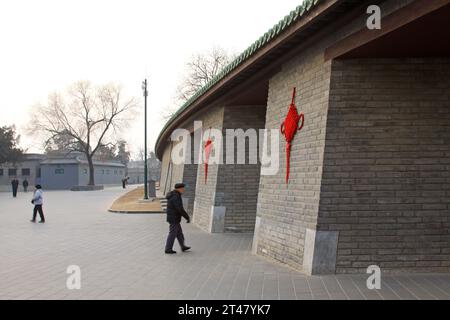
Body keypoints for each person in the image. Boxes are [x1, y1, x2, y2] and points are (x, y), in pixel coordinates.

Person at [164, 183, 191, 254]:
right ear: (180, 188)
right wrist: (187, 217)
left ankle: (183, 246)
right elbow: (180, 209)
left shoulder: (174, 195)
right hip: (174, 218)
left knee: (179, 233)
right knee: (172, 233)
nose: (184, 190)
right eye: (183, 188)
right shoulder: (175, 196)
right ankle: (168, 249)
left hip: (174, 217)